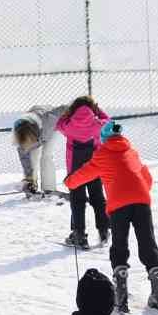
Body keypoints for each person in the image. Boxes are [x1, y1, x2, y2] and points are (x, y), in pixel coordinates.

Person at [63, 120, 158, 314]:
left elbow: (84, 175)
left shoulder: (101, 155)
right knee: (148, 244)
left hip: (118, 206)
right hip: (141, 202)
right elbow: (147, 178)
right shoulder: (132, 152)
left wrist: (70, 182)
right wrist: (138, 192)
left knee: (119, 247)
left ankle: (120, 296)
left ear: (104, 139)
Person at [56, 96, 110, 248]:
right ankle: (104, 229)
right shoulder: (97, 124)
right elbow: (109, 121)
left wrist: (68, 113)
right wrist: (98, 111)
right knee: (98, 198)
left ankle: (79, 235)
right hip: (94, 166)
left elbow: (58, 124)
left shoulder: (68, 125)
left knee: (77, 201)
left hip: (75, 169)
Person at [13, 104, 66, 196]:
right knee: (32, 158)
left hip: (51, 129)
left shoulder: (49, 118)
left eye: (29, 142)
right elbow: (25, 160)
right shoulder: (20, 139)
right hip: (36, 132)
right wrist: (29, 177)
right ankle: (32, 186)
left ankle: (49, 188)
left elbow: (65, 108)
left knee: (46, 155)